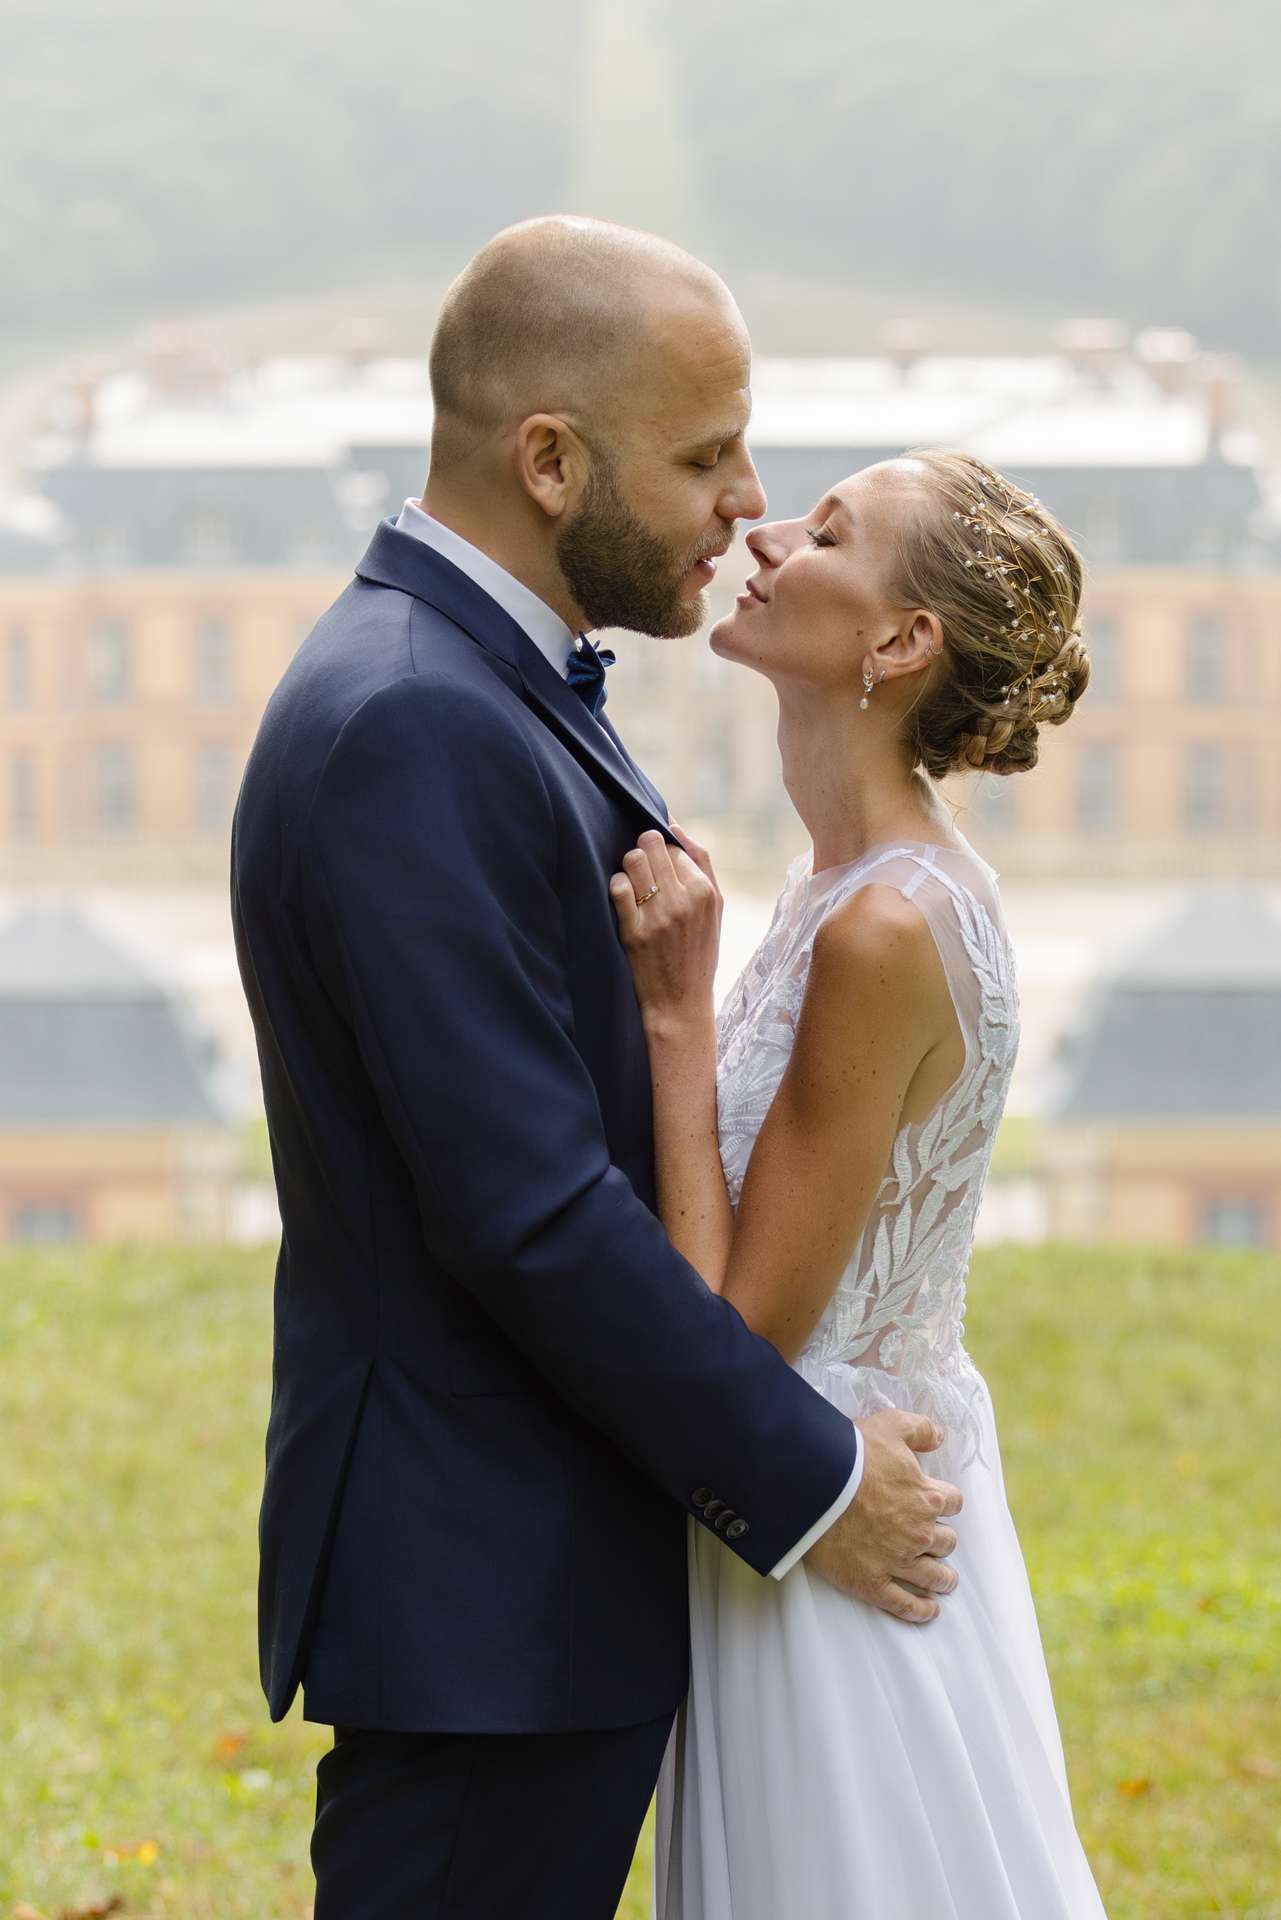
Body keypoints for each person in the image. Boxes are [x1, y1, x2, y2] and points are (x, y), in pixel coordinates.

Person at [230, 218, 962, 1920]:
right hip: (486, 1588)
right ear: (548, 460)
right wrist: (811, 1485)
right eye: (704, 456)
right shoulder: (414, 718)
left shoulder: (477, 679)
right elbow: (525, 1210)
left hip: (533, 1575)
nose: (744, 500)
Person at [610, 449, 1107, 1917]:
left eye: (825, 533)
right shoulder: (851, 886)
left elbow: (745, 1332)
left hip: (831, 1535)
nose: (765, 536)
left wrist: (674, 1016)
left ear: (899, 644)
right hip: (803, 1514)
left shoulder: (883, 929)